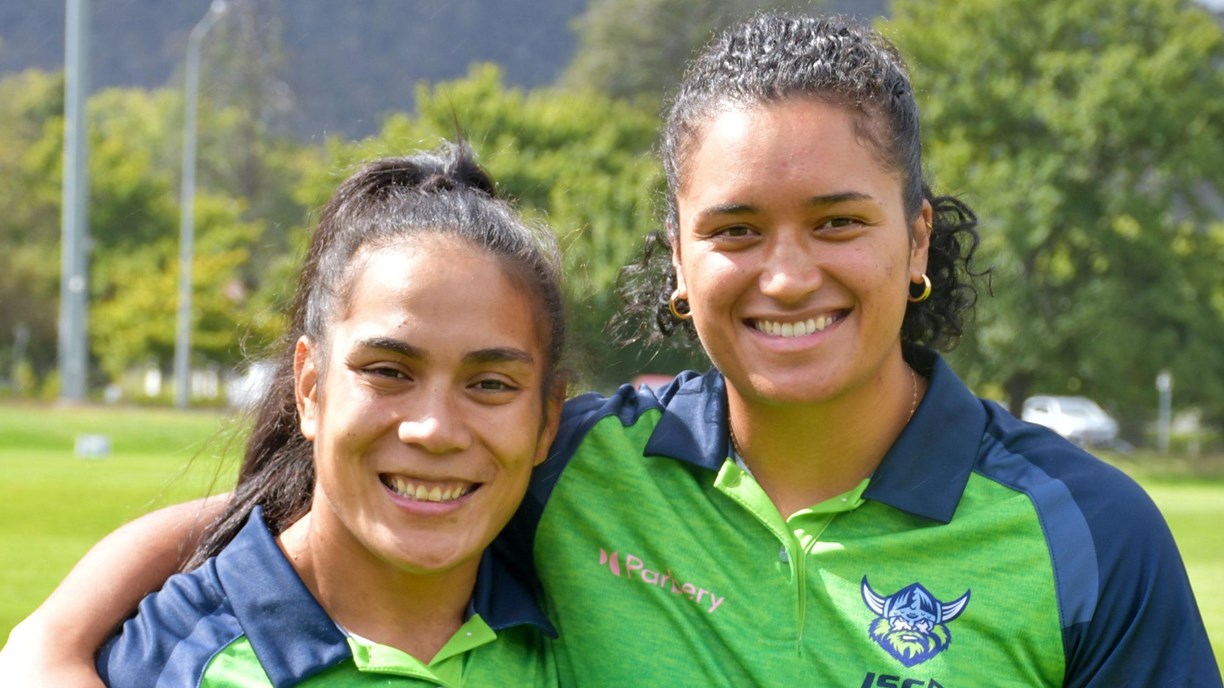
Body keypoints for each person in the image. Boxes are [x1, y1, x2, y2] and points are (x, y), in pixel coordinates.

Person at [4, 13, 1220, 687]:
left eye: (839, 223)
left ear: (916, 240)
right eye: (735, 230)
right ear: (681, 267)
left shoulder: (1085, 535)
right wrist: (53, 644)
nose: (786, 273)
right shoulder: (577, 463)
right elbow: (317, 504)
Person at [83, 142, 565, 687]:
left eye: (491, 384)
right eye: (388, 372)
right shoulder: (182, 662)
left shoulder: (581, 633)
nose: (433, 429)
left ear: (548, 420)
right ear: (310, 387)